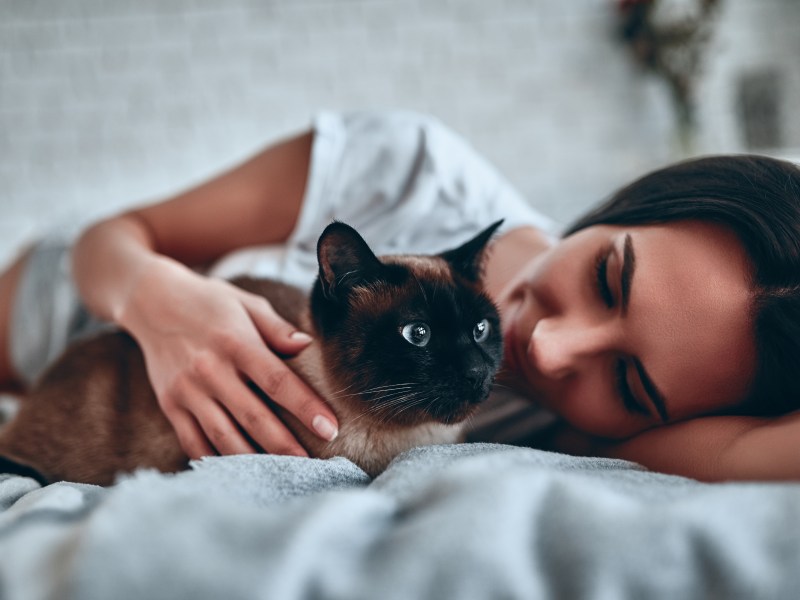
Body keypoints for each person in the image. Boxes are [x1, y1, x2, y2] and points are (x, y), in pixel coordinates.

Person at [1, 110, 799, 482]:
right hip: (79, 297)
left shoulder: (598, 443)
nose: (550, 351)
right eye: (607, 279)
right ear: (633, 201)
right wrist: (161, 303)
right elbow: (120, 233)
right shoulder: (412, 168)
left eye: (629, 382)